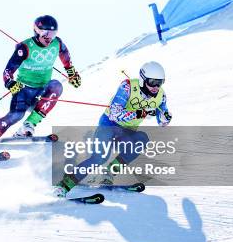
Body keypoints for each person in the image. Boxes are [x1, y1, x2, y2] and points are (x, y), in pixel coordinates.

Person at [0, 15, 82, 157]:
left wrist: (72, 73)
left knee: (56, 86)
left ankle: (28, 126)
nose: (49, 38)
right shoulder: (25, 47)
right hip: (24, 89)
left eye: (53, 34)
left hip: (42, 89)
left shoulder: (57, 44)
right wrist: (10, 83)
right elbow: (7, 71)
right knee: (16, 116)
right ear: (37, 31)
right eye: (46, 33)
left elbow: (65, 57)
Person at [55, 61, 172, 194]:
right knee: (100, 158)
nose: (156, 87)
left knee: (142, 139)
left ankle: (108, 173)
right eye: (152, 82)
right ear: (143, 79)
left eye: (160, 82)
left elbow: (163, 121)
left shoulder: (161, 96)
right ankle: (65, 184)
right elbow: (115, 114)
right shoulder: (127, 87)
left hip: (127, 132)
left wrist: (165, 117)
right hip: (109, 125)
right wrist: (139, 113)